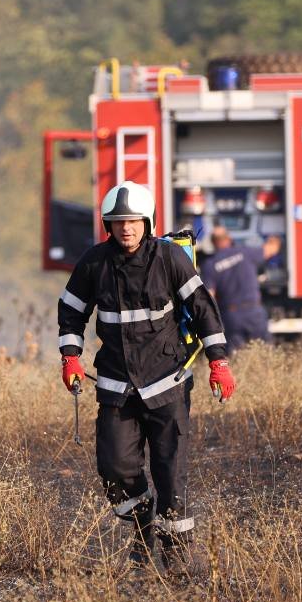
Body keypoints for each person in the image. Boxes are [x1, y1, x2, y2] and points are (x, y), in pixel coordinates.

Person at [56, 181, 237, 569]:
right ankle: (142, 527)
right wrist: (70, 356)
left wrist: (219, 362)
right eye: (119, 222)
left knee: (170, 470)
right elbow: (71, 311)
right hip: (117, 385)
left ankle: (175, 556)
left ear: (148, 221)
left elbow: (203, 308)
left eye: (134, 221)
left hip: (168, 380)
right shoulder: (94, 263)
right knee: (114, 468)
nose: (127, 228)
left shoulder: (170, 259)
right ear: (108, 225)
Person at [200, 225, 272, 352]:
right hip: (254, 311)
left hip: (232, 316)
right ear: (228, 239)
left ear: (213, 242)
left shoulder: (209, 265)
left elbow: (209, 298)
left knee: (236, 358)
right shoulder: (244, 252)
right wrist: (275, 239)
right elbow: (269, 250)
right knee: (264, 353)